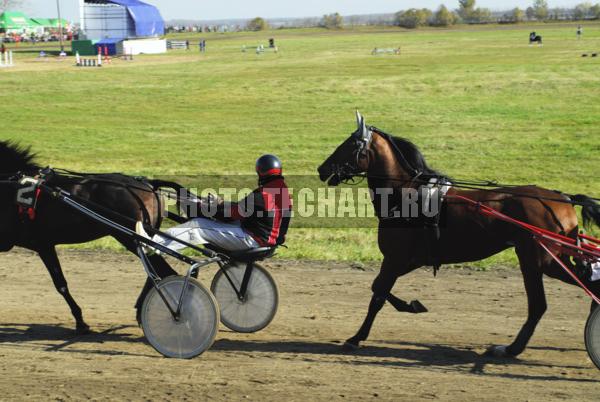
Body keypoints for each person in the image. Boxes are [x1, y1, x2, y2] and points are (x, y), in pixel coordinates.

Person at [139, 154, 292, 252]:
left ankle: (154, 245)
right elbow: (244, 210)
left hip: (252, 240)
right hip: (264, 239)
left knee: (197, 225)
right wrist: (220, 203)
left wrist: (207, 207)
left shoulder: (261, 195)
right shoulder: (283, 192)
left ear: (260, 172)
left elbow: (230, 216)